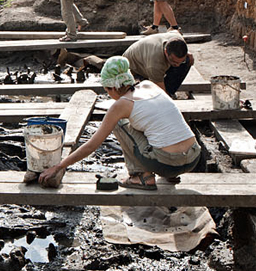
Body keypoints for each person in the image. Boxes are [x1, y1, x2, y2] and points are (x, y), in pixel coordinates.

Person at [38, 56, 201, 191]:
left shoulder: (121, 105)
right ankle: (169, 175)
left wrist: (58, 167)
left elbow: (91, 145)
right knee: (151, 123)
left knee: (119, 123)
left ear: (114, 88)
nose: (109, 95)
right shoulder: (149, 85)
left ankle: (142, 177)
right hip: (193, 156)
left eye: (107, 91)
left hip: (167, 163)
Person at [123, 32, 194, 97]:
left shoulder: (178, 38)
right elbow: (160, 92)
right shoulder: (155, 63)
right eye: (173, 61)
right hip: (134, 69)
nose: (177, 65)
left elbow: (174, 31)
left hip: (147, 57)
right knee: (157, 94)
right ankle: (167, 93)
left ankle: (169, 92)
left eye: (180, 61)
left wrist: (186, 56)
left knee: (188, 61)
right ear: (166, 52)